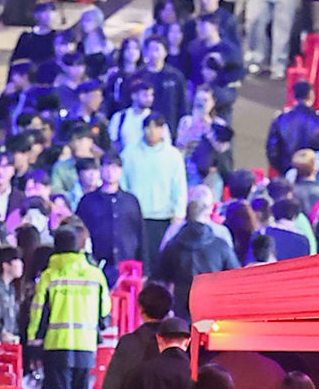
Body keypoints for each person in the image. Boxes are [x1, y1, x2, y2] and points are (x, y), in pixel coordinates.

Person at [26, 225, 109, 389]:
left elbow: (38, 314)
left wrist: (33, 345)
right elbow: (104, 315)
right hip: (85, 346)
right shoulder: (95, 275)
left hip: (57, 345)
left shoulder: (50, 275)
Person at [151, 187, 236, 318]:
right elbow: (234, 275)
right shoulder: (220, 244)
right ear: (207, 214)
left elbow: (159, 277)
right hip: (212, 307)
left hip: (180, 307)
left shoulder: (173, 243)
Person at [119, 114, 187, 274]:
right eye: (148, 127)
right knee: (137, 262)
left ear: (163, 130)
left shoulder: (173, 155)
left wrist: (178, 214)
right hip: (135, 217)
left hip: (162, 217)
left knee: (158, 262)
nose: (151, 131)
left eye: (156, 127)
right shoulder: (129, 153)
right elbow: (123, 183)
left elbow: (180, 186)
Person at [76, 156, 143, 285]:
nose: (110, 171)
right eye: (106, 167)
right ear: (100, 170)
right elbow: (79, 230)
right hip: (96, 263)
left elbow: (140, 233)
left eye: (115, 167)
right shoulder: (87, 201)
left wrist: (144, 269)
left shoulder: (131, 201)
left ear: (120, 171)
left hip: (127, 264)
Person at [264, 79, 319, 175]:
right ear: (310, 95)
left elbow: (272, 149)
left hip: (285, 169)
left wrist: (282, 168)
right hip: (310, 170)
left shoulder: (281, 118)